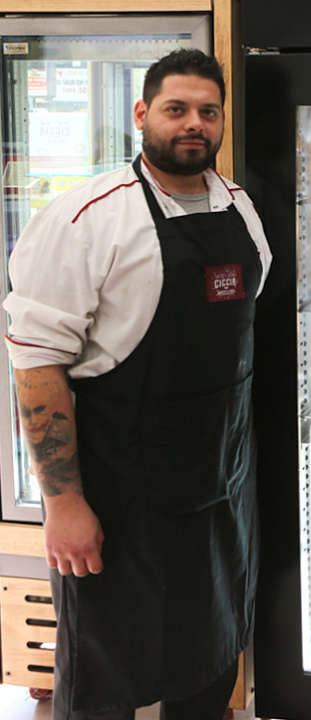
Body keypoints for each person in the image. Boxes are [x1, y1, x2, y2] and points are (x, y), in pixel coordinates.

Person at [4, 48, 271, 720]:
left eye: (208, 112)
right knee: (102, 681)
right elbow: (37, 369)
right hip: (119, 506)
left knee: (208, 669)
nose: (194, 124)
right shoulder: (87, 218)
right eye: (177, 109)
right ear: (142, 114)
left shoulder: (240, 210)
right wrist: (64, 506)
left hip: (218, 501)